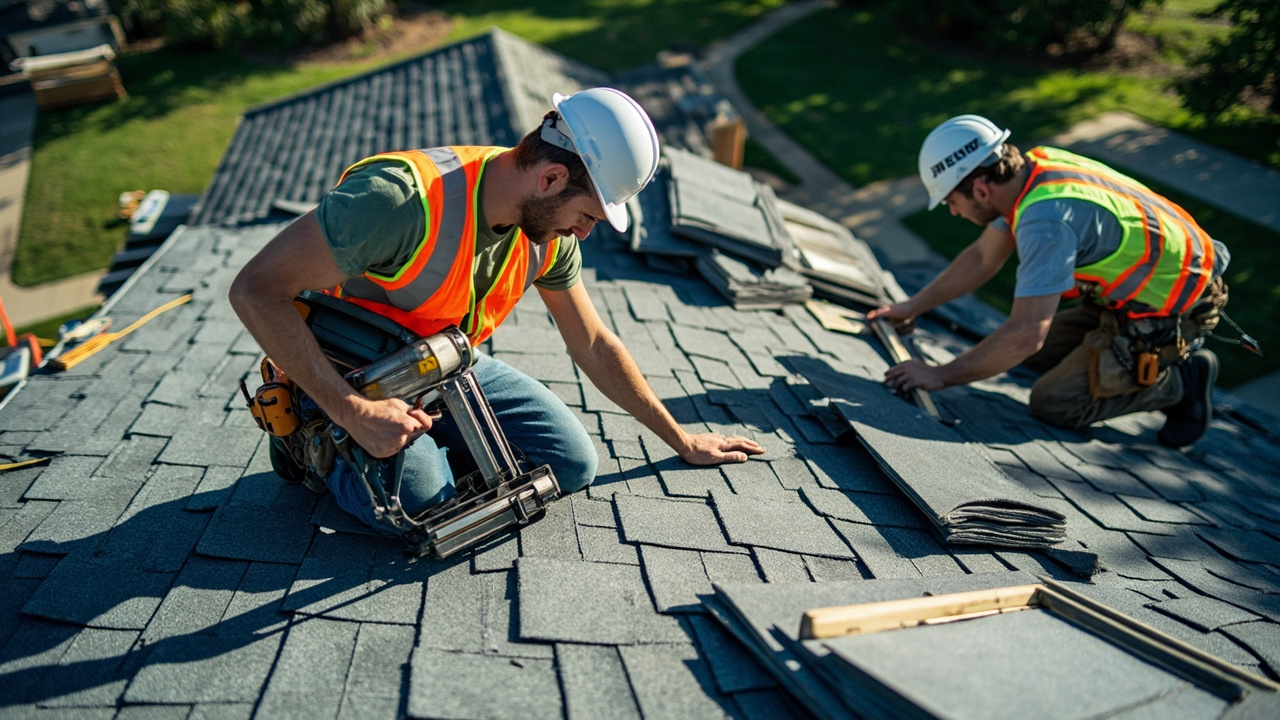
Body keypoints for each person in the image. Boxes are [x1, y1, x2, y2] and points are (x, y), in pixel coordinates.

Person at [230, 87, 763, 533]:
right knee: (420, 501)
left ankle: (415, 438)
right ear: (551, 177)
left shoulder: (546, 234)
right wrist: (353, 412)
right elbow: (255, 290)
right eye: (587, 215)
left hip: (440, 364)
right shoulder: (400, 201)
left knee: (572, 463)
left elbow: (594, 344)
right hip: (351, 374)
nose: (584, 232)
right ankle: (313, 441)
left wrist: (682, 438)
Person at [868, 114, 1230, 448]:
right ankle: (1114, 354)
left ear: (980, 190)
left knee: (1054, 401)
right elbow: (982, 258)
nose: (953, 211)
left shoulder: (1045, 221)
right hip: (1129, 300)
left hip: (1171, 312)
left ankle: (1182, 382)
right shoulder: (1030, 173)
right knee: (1029, 355)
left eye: (951, 200)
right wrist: (911, 307)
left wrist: (940, 375)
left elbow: (1026, 336)